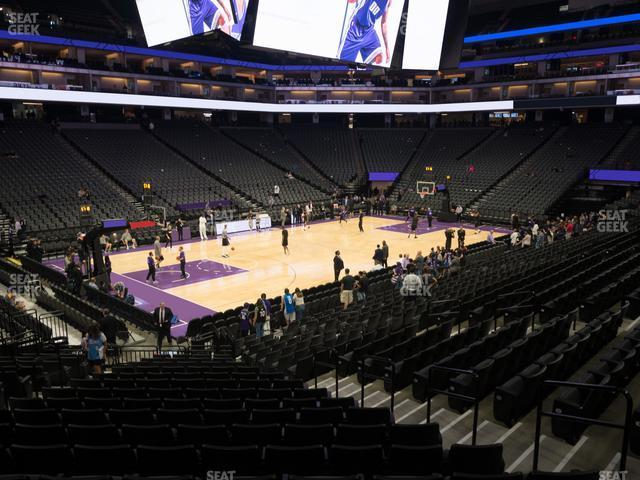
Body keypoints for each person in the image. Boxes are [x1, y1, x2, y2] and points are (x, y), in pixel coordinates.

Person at [339, 0, 392, 65]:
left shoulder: (389, 2)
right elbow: (351, 1)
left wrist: (387, 48)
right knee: (343, 65)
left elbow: (383, 23)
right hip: (355, 29)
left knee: (379, 57)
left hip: (368, 31)